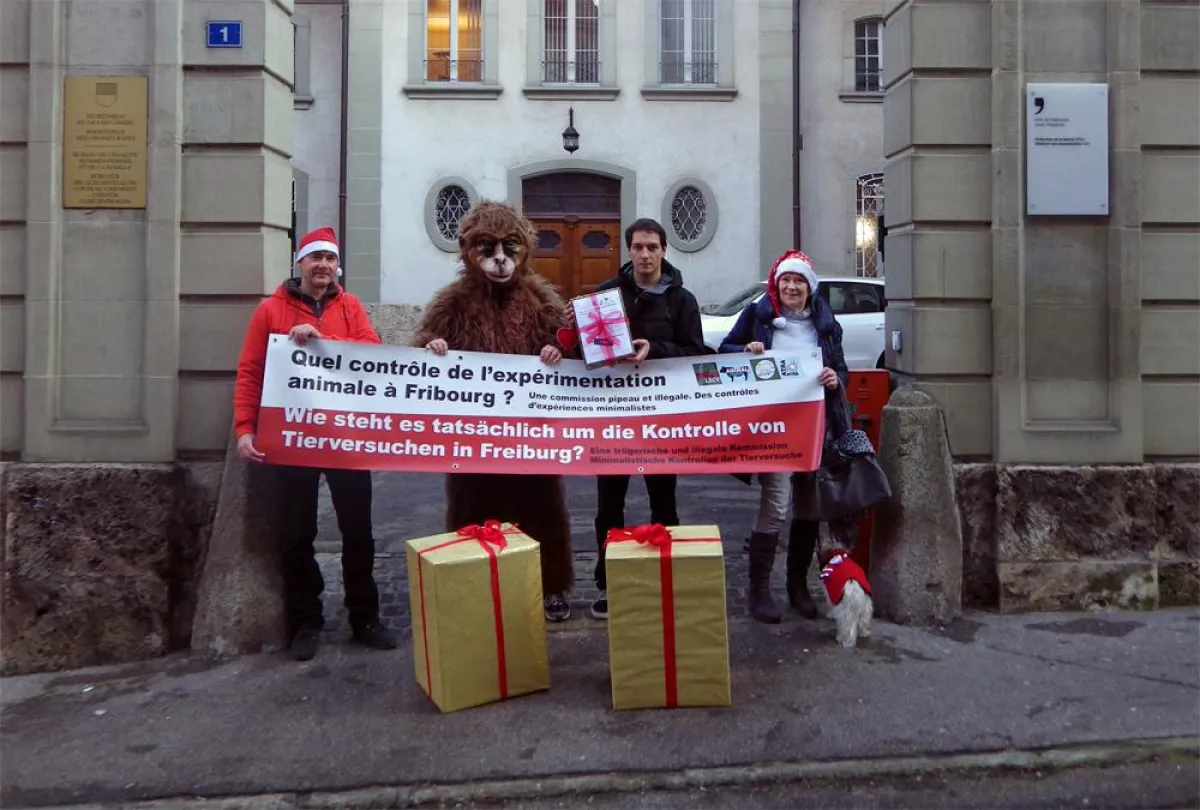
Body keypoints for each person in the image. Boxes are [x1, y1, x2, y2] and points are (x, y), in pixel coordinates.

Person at [232, 226, 397, 661]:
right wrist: (244, 428)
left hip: (346, 437)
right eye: (314, 258)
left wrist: (322, 340)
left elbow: (370, 352)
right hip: (293, 438)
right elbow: (251, 371)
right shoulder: (270, 311)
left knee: (358, 531)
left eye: (329, 258)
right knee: (297, 532)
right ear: (300, 263)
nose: (322, 265)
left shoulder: (351, 307)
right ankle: (306, 620)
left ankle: (365, 616)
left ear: (336, 265)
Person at [582, 217, 710, 620]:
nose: (644, 254)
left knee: (664, 501)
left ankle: (664, 575)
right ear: (629, 251)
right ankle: (607, 582)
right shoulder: (606, 295)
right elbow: (588, 353)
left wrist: (653, 349)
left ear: (664, 251)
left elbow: (695, 353)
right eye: (637, 247)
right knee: (609, 505)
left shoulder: (682, 300)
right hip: (614, 417)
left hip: (660, 418)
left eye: (652, 247)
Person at [716, 250, 847, 623]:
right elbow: (725, 350)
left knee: (808, 508)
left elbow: (839, 367)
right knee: (776, 503)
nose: (791, 286)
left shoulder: (824, 322)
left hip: (813, 429)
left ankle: (798, 587)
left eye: (799, 281)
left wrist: (835, 380)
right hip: (773, 429)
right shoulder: (758, 316)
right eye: (785, 280)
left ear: (810, 287)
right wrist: (746, 350)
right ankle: (759, 591)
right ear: (776, 284)